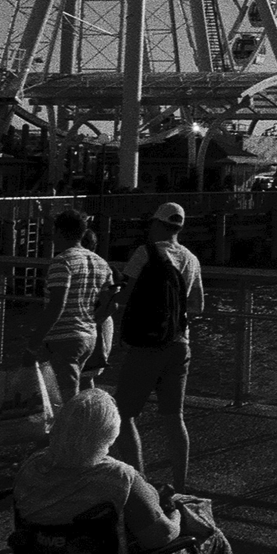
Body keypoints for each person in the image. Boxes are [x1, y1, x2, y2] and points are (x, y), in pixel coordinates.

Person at [14, 389, 190, 554]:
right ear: (110, 434)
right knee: (210, 536)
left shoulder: (32, 465)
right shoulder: (118, 477)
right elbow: (160, 537)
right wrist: (176, 516)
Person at [109, 202, 202, 493]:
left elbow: (124, 297)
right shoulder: (191, 259)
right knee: (175, 418)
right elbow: (198, 305)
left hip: (148, 345)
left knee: (122, 413)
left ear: (157, 224)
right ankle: (181, 485)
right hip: (180, 344)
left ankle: (141, 482)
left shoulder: (145, 253)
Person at [33, 209, 116, 404]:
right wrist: (90, 322)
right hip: (88, 337)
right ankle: (86, 426)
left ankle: (74, 431)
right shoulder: (101, 263)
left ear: (60, 232)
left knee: (66, 396)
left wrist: (35, 340)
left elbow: (56, 305)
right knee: (79, 386)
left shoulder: (62, 262)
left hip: (64, 337)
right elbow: (112, 305)